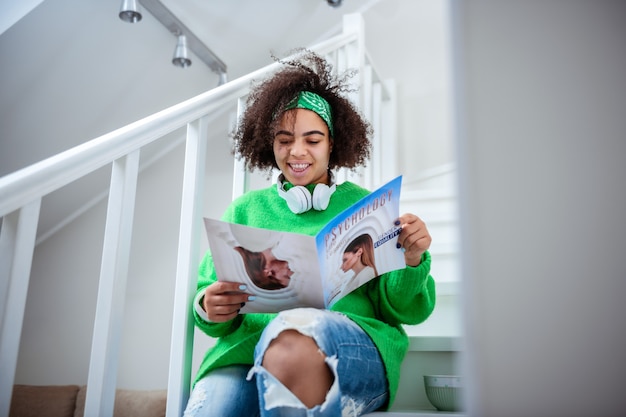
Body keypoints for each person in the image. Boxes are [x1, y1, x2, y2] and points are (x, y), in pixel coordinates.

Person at [184, 49, 436, 417]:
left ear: (333, 144)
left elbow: (406, 310)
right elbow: (210, 303)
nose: (296, 151)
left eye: (312, 140)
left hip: (349, 346)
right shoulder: (245, 210)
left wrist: (411, 259)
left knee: (293, 332)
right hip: (246, 352)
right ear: (270, 144)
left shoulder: (368, 208)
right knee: (212, 408)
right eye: (284, 139)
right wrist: (209, 306)